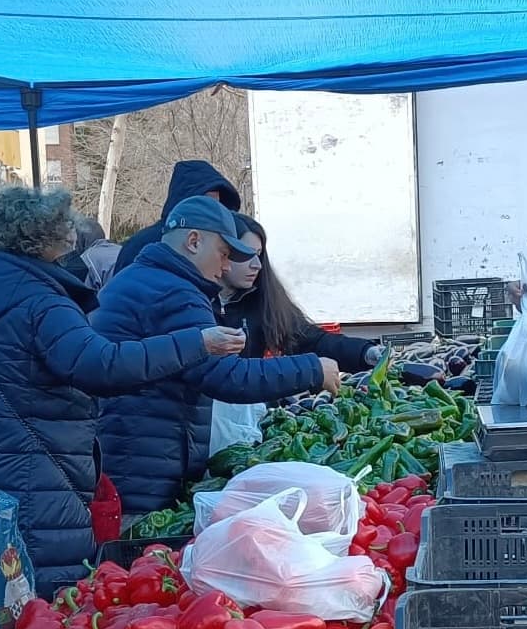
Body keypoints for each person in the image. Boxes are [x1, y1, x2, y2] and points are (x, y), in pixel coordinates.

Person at [0, 185, 247, 591]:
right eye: (65, 225)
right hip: (43, 472)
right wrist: (197, 342)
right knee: (48, 593)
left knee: (3, 584)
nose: (72, 233)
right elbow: (101, 366)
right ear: (44, 235)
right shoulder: (43, 300)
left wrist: (0, 411)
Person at [93, 197, 340, 519]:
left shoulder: (145, 279)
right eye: (224, 254)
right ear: (194, 241)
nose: (225, 267)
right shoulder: (174, 291)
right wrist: (312, 369)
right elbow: (225, 377)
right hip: (143, 461)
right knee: (143, 542)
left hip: (132, 450)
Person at [219, 213, 383, 367]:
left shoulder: (261, 298)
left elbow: (310, 340)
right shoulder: (204, 304)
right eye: (246, 253)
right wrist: (310, 370)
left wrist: (365, 352)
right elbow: (228, 373)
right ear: (222, 251)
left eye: (258, 254)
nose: (257, 264)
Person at [112, 159, 243, 277]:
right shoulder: (142, 245)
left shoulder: (212, 245)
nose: (214, 210)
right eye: (208, 202)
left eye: (218, 204)